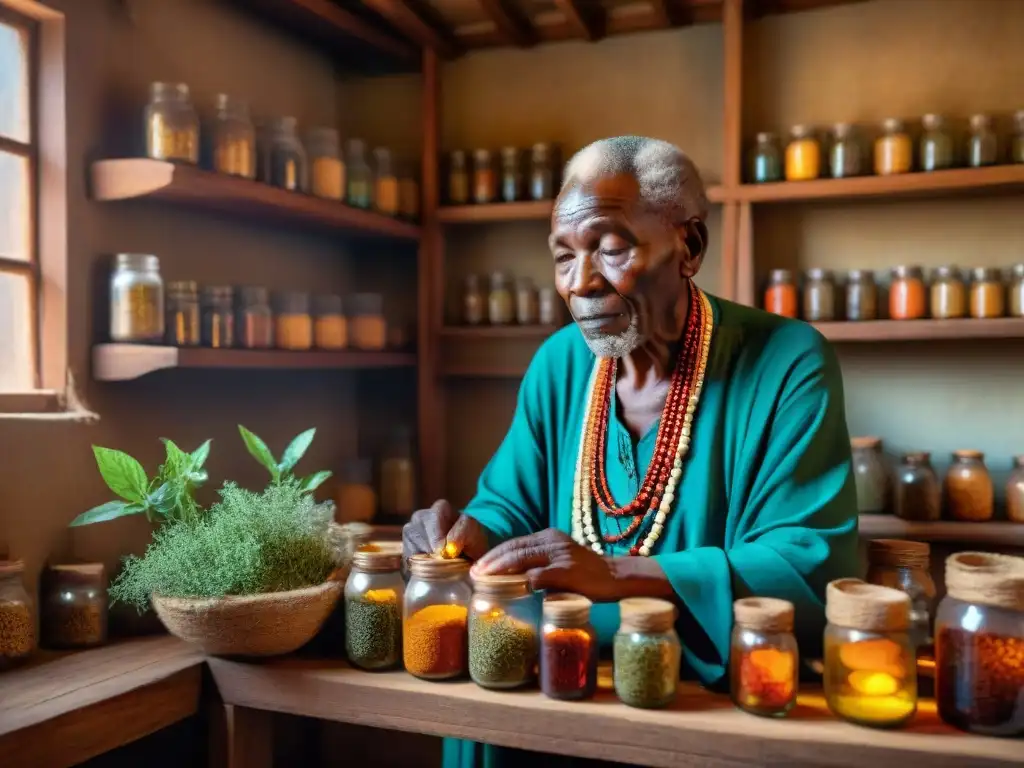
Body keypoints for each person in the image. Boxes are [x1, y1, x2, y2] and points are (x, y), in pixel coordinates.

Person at [403, 136, 859, 768]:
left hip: (699, 696)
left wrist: (618, 574)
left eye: (611, 249)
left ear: (689, 246)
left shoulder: (787, 361)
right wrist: (467, 534)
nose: (581, 283)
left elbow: (805, 565)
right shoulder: (560, 365)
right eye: (564, 258)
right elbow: (510, 507)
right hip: (556, 675)